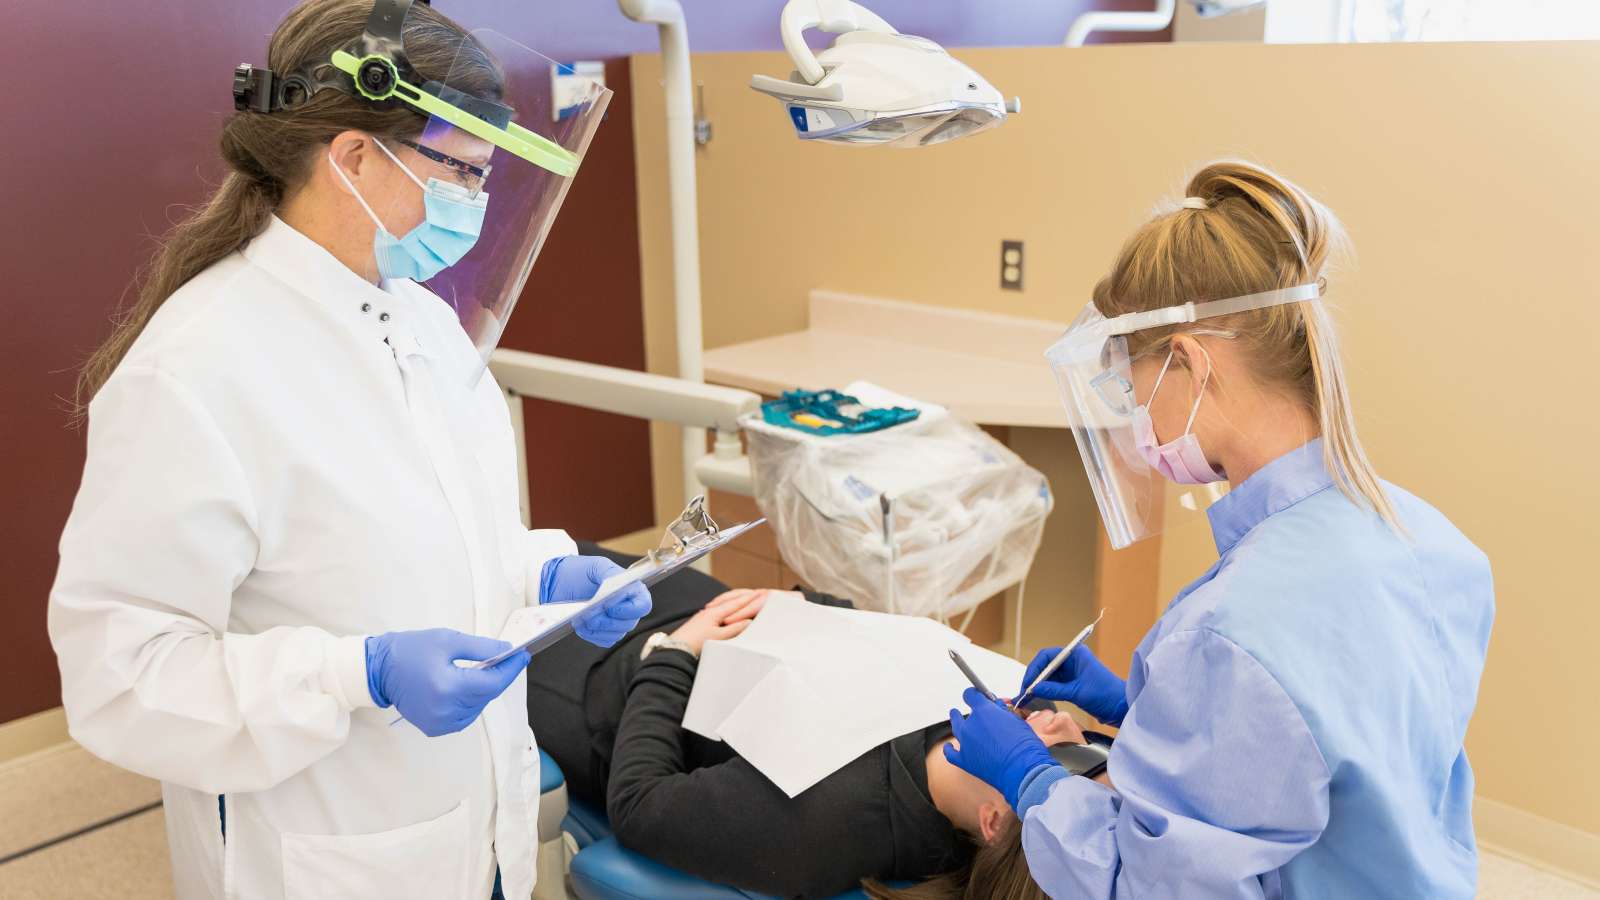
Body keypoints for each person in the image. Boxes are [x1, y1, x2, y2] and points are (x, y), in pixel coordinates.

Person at [47, 2, 647, 898]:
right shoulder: (199, 368)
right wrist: (356, 676)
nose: (475, 204)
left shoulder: (425, 321)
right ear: (356, 155)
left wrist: (542, 576)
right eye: (460, 171)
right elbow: (123, 673)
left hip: (473, 826)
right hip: (329, 850)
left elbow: (402, 537)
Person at [943, 160, 1494, 899]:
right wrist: (1140, 708)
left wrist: (1032, 778)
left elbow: (1149, 888)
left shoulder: (1226, 632)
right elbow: (1332, 762)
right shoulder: (1436, 544)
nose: (1134, 418)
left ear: (1187, 363)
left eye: (1129, 384)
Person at [529, 545, 1091, 899]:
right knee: (526, 555)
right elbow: (875, 647)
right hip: (691, 604)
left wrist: (672, 654)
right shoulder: (981, 707)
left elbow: (640, 803)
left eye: (1058, 761)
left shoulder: (826, 826)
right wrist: (808, 605)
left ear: (993, 822)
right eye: (1092, 750)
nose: (1064, 726)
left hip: (599, 682)